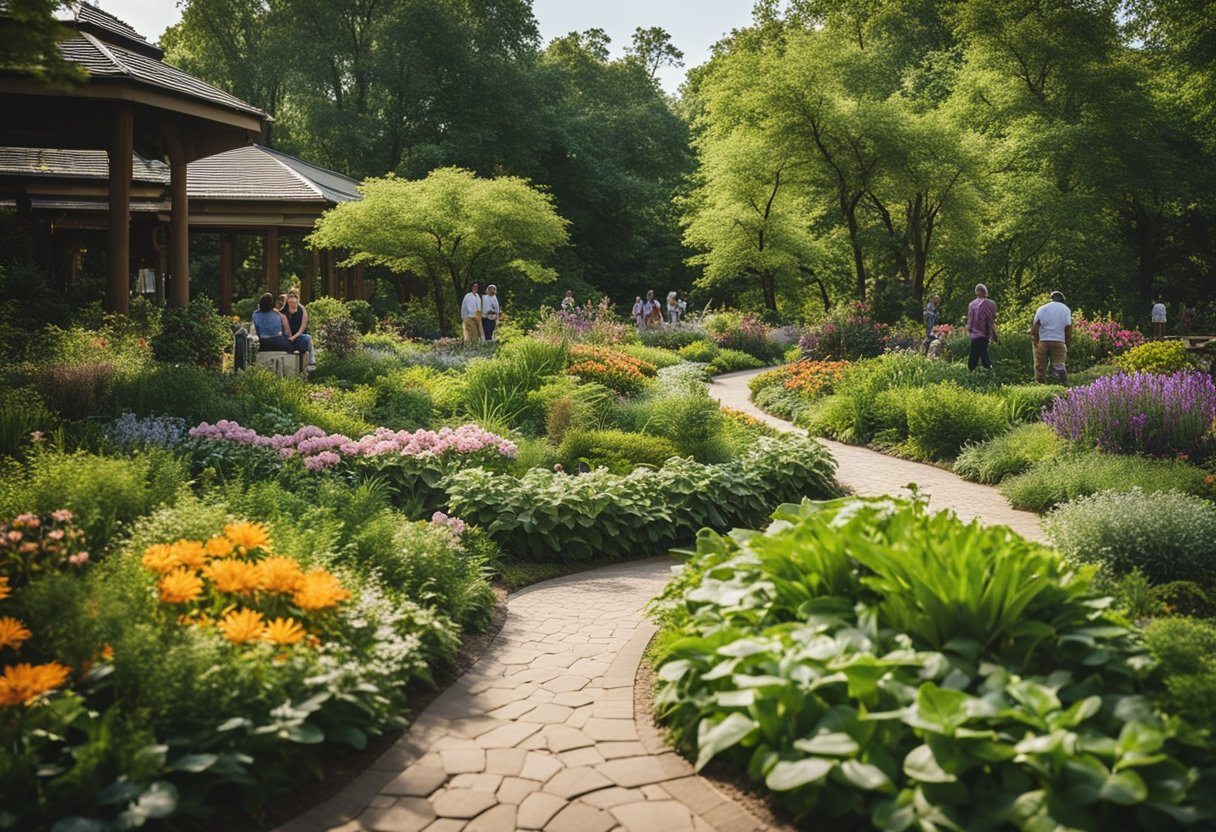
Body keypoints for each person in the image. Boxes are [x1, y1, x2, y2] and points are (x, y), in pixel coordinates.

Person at [1031, 290, 1072, 384]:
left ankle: (1041, 384)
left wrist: (1036, 341)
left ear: (1051, 299)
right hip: (1059, 341)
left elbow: (1035, 327)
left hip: (1043, 340)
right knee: (1058, 364)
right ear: (1062, 300)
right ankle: (1063, 382)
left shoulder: (1042, 308)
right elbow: (1068, 328)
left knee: (1040, 366)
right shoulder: (1066, 309)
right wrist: (1067, 343)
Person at [966, 283, 998, 370]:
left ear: (976, 292)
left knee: (974, 354)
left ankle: (972, 371)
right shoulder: (990, 304)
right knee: (983, 352)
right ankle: (988, 369)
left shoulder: (971, 304)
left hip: (974, 335)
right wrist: (993, 334)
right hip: (985, 334)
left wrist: (970, 331)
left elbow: (970, 322)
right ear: (985, 293)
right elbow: (992, 320)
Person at [283, 290, 315, 370]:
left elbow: (302, 327)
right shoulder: (284, 311)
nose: (292, 304)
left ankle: (312, 363)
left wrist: (294, 337)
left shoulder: (302, 310)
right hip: (287, 336)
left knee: (308, 338)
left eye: (294, 302)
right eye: (290, 302)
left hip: (299, 335)